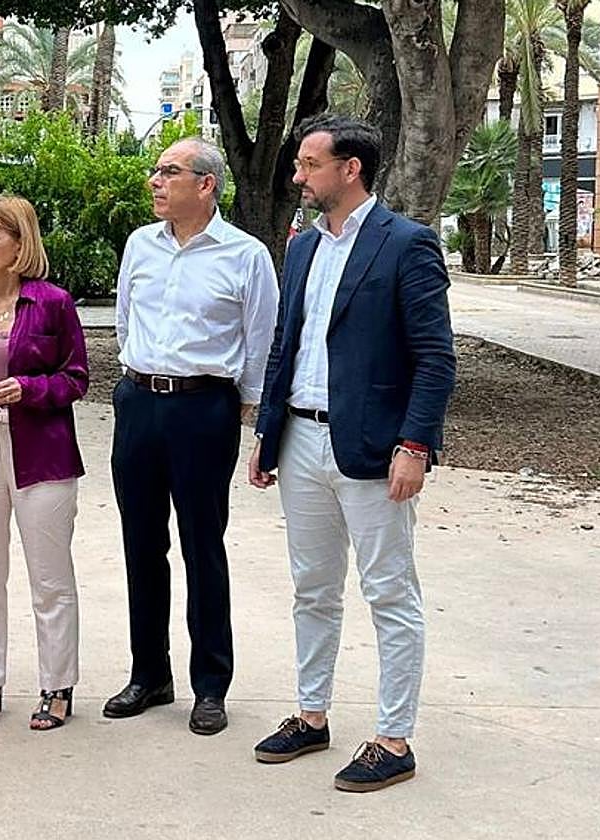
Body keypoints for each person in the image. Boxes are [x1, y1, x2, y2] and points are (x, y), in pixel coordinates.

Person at [248, 114, 456, 792]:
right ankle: (312, 716)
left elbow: (435, 357)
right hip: (301, 440)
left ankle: (393, 737)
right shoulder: (303, 247)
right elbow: (288, 343)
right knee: (312, 588)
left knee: (389, 590)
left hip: (373, 447)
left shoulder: (407, 244)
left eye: (309, 165)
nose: (298, 177)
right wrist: (267, 432)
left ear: (350, 169)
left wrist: (416, 443)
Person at [106, 138, 279, 736]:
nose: (155, 181)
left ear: (205, 185)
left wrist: (253, 415)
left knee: (203, 545)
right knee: (141, 545)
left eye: (169, 172)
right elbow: (126, 318)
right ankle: (149, 673)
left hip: (205, 407)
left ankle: (211, 685)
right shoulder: (140, 246)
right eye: (156, 171)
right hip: (138, 402)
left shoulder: (245, 255)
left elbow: (260, 339)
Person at [0, 195, 88, 731]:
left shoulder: (53, 303)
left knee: (50, 579)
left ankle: (56, 686)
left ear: (19, 244)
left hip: (43, 455)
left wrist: (26, 388)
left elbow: (76, 377)